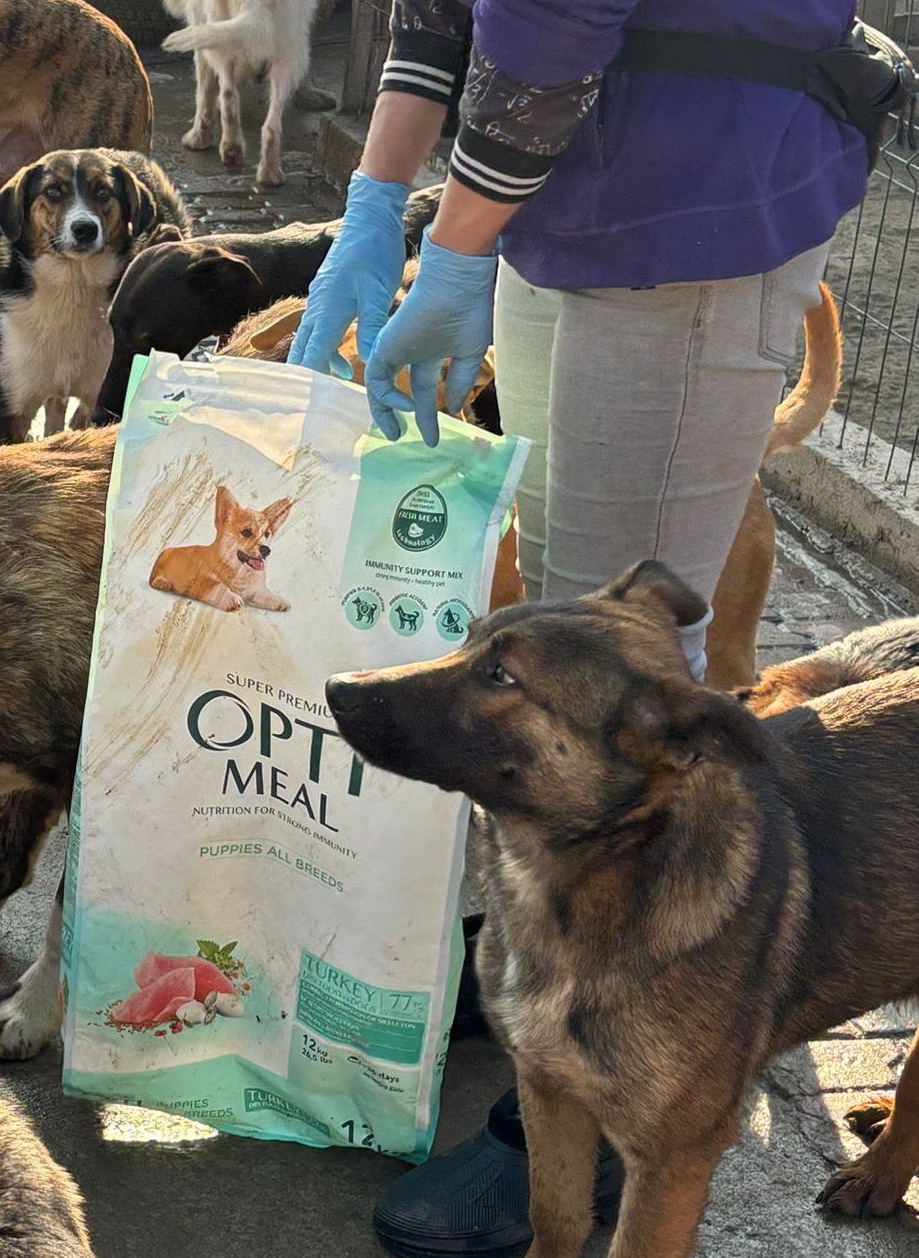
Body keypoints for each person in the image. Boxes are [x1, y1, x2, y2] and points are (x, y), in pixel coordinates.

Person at [289, 2, 870, 1254]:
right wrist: (374, 200)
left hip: (683, 208)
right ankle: (539, 987)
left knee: (618, 692)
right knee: (561, 598)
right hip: (559, 204)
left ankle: (607, 1105)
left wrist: (450, 245)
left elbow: (547, 22)